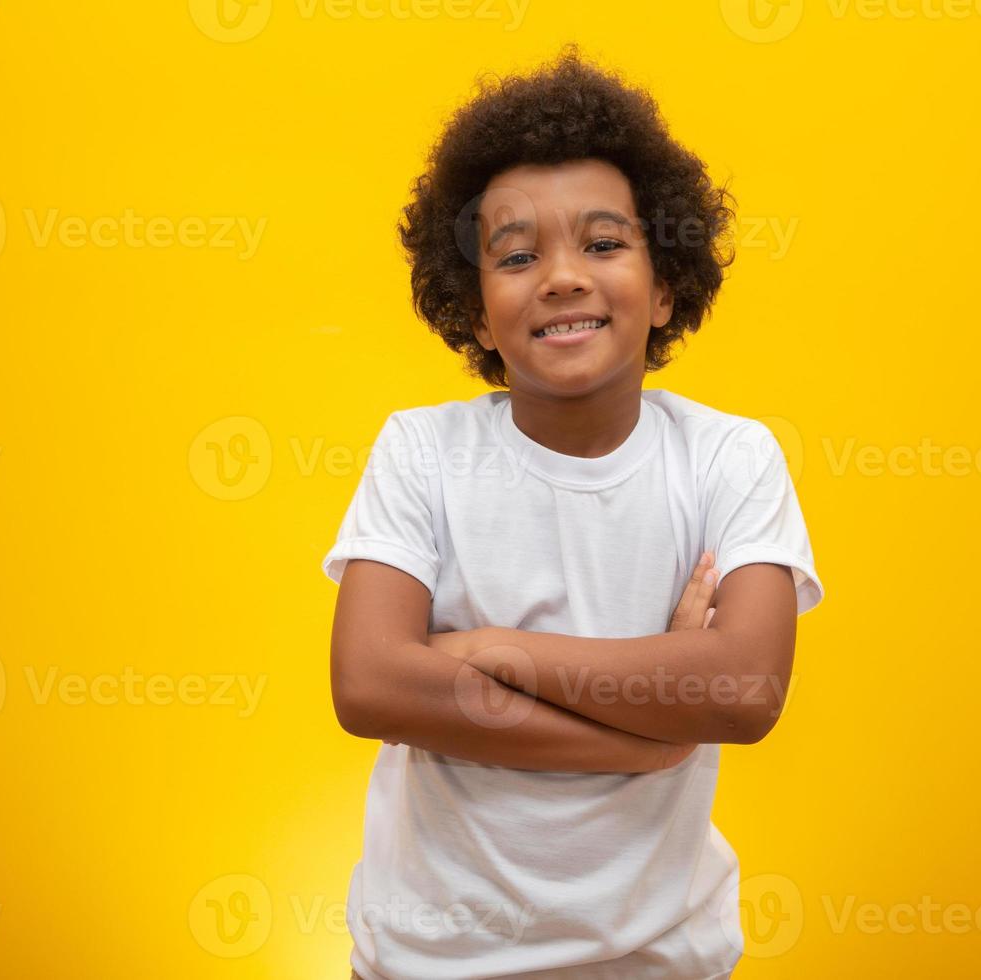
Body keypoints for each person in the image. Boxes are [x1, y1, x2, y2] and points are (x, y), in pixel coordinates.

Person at [325, 43, 824, 980]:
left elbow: (746, 691)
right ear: (474, 312)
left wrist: (478, 652)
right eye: (517, 257)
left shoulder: (728, 457)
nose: (562, 277)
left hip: (660, 960)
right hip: (428, 961)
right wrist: (651, 740)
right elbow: (370, 687)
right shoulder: (422, 450)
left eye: (603, 244)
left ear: (666, 284)